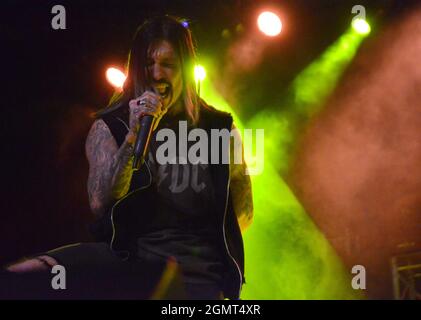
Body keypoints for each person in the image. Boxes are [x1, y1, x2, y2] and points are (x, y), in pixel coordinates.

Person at [4, 15, 253, 300]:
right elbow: (101, 201)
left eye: (168, 65)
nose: (157, 74)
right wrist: (133, 136)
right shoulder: (111, 127)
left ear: (184, 70)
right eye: (148, 65)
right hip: (132, 266)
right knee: (32, 270)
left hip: (197, 275)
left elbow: (243, 212)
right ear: (136, 70)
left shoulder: (219, 129)